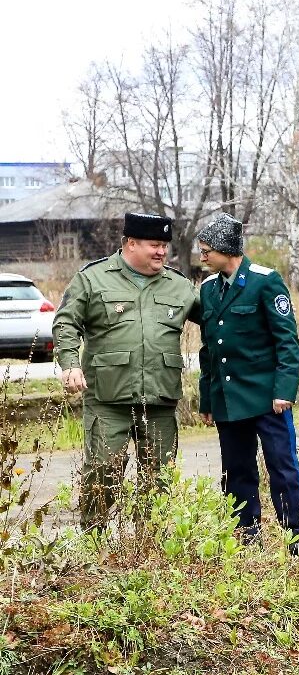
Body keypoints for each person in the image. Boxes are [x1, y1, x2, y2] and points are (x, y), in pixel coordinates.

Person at [54, 213, 200, 532]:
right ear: (130, 244)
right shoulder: (93, 278)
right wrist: (70, 364)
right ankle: (95, 538)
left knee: (159, 478)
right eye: (154, 245)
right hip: (108, 398)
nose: (162, 252)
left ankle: (149, 542)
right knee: (102, 473)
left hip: (160, 399)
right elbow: (65, 322)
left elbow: (218, 324)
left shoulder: (179, 285)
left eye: (165, 245)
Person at [195, 213, 299, 555]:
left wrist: (284, 391)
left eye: (206, 251)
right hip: (228, 400)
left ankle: (297, 541)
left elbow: (286, 342)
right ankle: (246, 536)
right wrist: (207, 400)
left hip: (267, 399)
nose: (201, 257)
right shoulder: (208, 289)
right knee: (236, 472)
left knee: (282, 468)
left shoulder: (265, 282)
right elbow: (209, 349)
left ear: (225, 250)